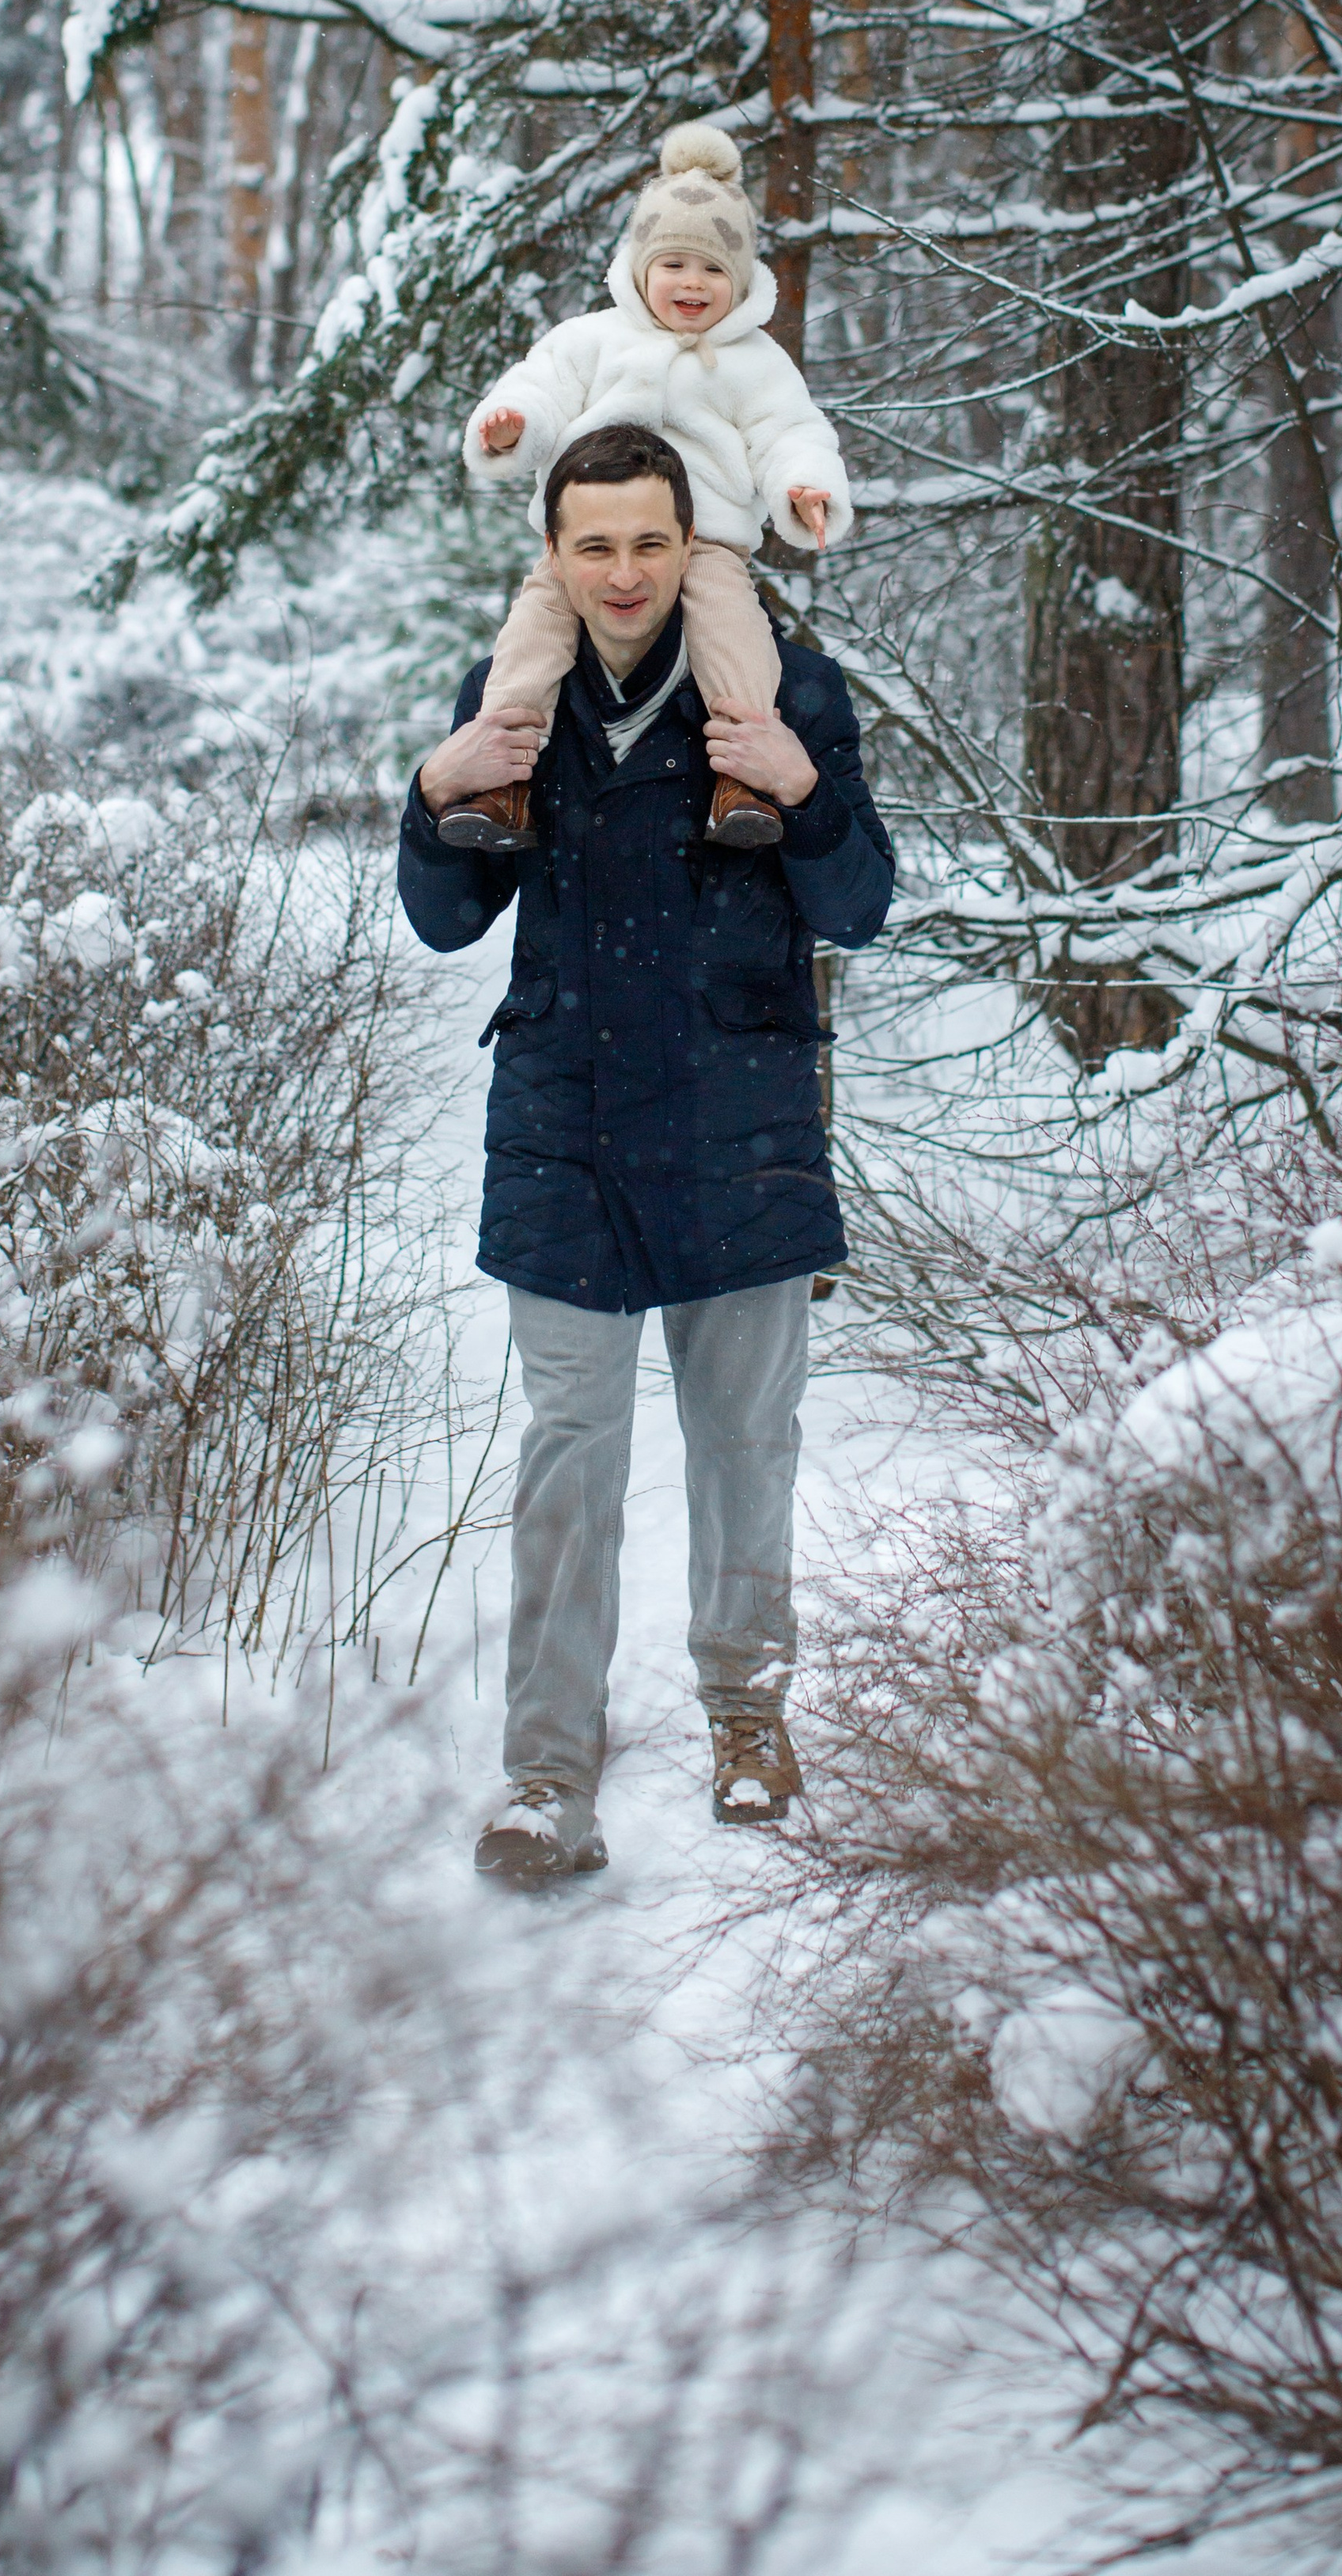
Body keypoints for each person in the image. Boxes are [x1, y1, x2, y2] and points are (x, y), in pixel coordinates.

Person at [396, 421, 893, 1885]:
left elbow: (861, 905)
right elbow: (442, 922)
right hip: (563, 1129)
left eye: (650, 541)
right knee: (569, 1460)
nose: (624, 572)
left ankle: (749, 1714)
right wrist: (439, 792)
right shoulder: (515, 696)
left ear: (695, 546)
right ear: (552, 556)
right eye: (593, 544)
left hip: (742, 1122)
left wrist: (803, 790)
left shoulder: (784, 689)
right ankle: (549, 1775)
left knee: (746, 1448)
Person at [444, 121, 851, 855]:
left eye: (713, 270)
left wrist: (805, 487)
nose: (692, 284)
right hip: (588, 543)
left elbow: (789, 432)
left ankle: (745, 775)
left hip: (706, 545)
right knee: (533, 632)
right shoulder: (592, 339)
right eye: (674, 264)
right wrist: (512, 427)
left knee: (733, 631)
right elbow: (540, 389)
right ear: (638, 268)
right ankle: (501, 779)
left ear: (744, 281)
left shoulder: (754, 362)